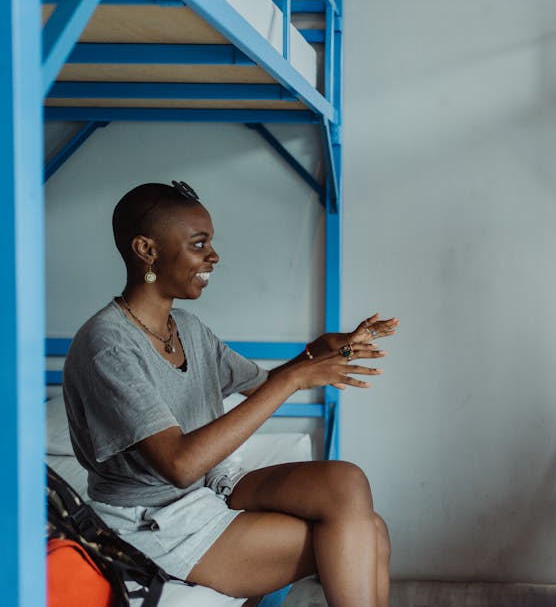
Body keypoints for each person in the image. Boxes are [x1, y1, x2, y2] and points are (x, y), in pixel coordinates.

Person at [62, 181, 398, 607]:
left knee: (344, 479)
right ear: (146, 250)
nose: (213, 256)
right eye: (199, 244)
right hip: (152, 521)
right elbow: (179, 466)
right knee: (368, 532)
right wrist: (293, 379)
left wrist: (322, 350)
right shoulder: (107, 346)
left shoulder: (187, 327)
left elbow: (262, 383)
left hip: (206, 493)